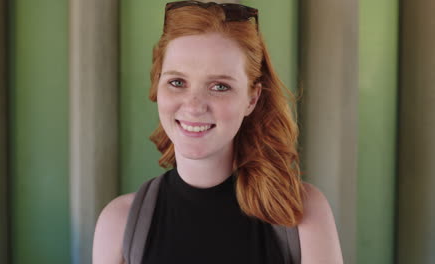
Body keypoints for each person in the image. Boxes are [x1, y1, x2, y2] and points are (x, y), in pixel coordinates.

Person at [93, 1, 343, 263]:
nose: (193, 106)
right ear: (157, 86)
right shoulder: (118, 223)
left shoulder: (301, 213)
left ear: (252, 99)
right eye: (177, 82)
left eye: (220, 86)